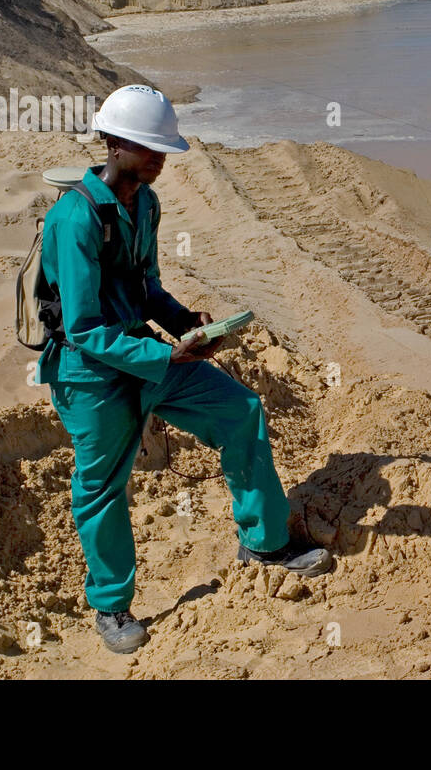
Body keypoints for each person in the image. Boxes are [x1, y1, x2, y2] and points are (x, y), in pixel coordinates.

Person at [36, 84, 332, 655]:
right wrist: (162, 354)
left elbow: (146, 287)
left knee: (241, 412)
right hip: (91, 374)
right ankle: (111, 606)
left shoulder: (145, 203)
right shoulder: (73, 219)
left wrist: (185, 324)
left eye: (164, 148)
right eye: (150, 147)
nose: (160, 158)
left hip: (148, 354)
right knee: (101, 489)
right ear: (114, 143)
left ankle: (265, 542)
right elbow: (83, 328)